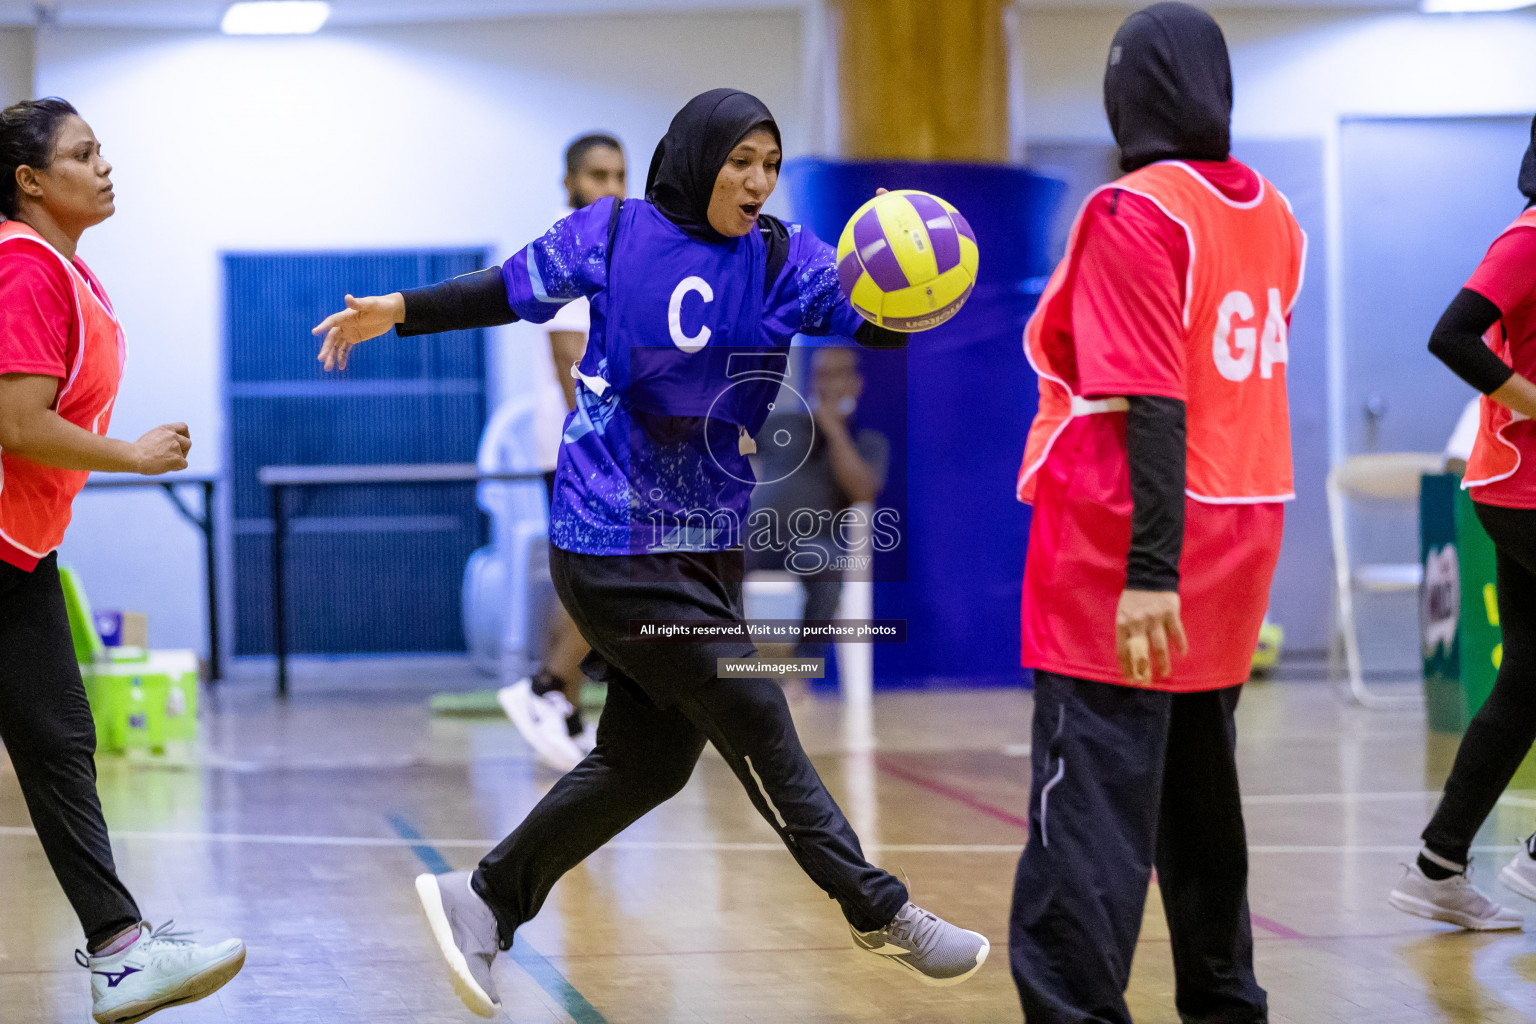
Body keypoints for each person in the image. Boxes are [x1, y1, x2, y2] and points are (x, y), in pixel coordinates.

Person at [313, 88, 989, 1017]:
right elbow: (508, 291)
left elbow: (874, 313)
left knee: (648, 765)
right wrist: (398, 307)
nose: (756, 182)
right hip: (611, 543)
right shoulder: (614, 232)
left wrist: (927, 288)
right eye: (740, 160)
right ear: (698, 155)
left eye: (770, 165)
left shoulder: (785, 259)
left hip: (705, 548)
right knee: (753, 706)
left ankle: (485, 899)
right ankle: (879, 910)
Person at [1010, 7, 1304, 1022]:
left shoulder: (1136, 211)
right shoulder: (1274, 213)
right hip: (1243, 530)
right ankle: (1227, 1004)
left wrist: (1147, 571)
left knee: (1083, 813)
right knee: (1197, 802)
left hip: (1125, 545)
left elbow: (1158, 400)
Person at [0, 98, 246, 1024]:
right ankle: (118, 947)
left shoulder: (69, 271)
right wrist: (134, 454)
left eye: (102, 151)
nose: (105, 167)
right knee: (58, 741)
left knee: (60, 741)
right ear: (31, 181)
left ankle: (118, 950)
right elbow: (18, 423)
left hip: (18, 547)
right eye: (83, 154)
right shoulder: (24, 267)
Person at [1388, 114, 1536, 932]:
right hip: (1523, 487)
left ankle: (1437, 868)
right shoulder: (1528, 238)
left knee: (1527, 681)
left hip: (1524, 490)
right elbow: (1452, 335)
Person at [498, 131, 627, 773]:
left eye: (619, 176)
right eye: (598, 176)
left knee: (581, 576)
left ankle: (565, 709)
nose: (610, 188)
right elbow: (566, 358)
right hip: (585, 445)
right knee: (606, 577)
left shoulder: (606, 243)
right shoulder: (571, 244)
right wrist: (603, 448)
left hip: (587, 444)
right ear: (571, 181)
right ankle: (547, 684)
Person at [747, 345, 888, 679]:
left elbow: (863, 492)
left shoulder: (867, 440)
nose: (829, 384)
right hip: (758, 537)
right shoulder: (785, 425)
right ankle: (733, 662)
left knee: (827, 564)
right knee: (721, 553)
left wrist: (833, 428)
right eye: (822, 375)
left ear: (856, 383)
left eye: (839, 374)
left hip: (812, 544)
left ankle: (799, 669)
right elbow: (730, 444)